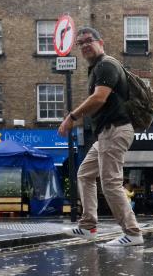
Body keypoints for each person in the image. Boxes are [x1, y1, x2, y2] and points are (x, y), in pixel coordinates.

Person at [58, 27, 143, 247]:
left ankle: (132, 233)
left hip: (115, 130)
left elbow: (99, 98)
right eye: (81, 43)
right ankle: (88, 226)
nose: (85, 45)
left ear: (100, 42)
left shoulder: (106, 65)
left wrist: (71, 116)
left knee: (110, 183)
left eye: (89, 41)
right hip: (105, 133)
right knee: (85, 174)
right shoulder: (97, 68)